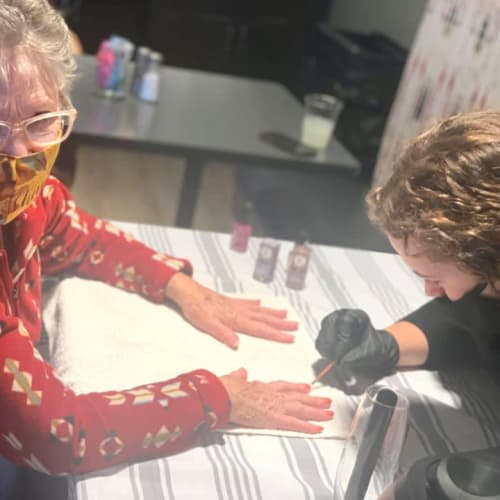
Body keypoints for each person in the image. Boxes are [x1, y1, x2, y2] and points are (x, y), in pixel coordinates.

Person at [0, 0, 334, 482]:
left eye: (40, 120)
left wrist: (182, 288)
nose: (18, 153)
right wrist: (220, 397)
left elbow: (82, 238)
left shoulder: (33, 199)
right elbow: (58, 435)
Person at [316, 110, 500, 383]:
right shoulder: (486, 281)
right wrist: (385, 344)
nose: (431, 291)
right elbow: (473, 322)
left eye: (435, 278)